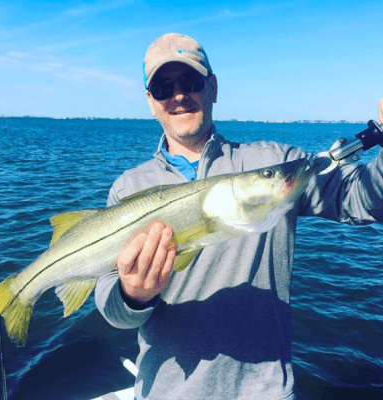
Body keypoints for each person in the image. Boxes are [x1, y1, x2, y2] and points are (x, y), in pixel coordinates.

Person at [95, 33, 383, 400]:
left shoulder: (275, 163)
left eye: (190, 82)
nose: (179, 95)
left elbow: (366, 200)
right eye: (164, 88)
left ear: (213, 87)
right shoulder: (128, 188)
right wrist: (133, 296)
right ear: (151, 102)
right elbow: (113, 311)